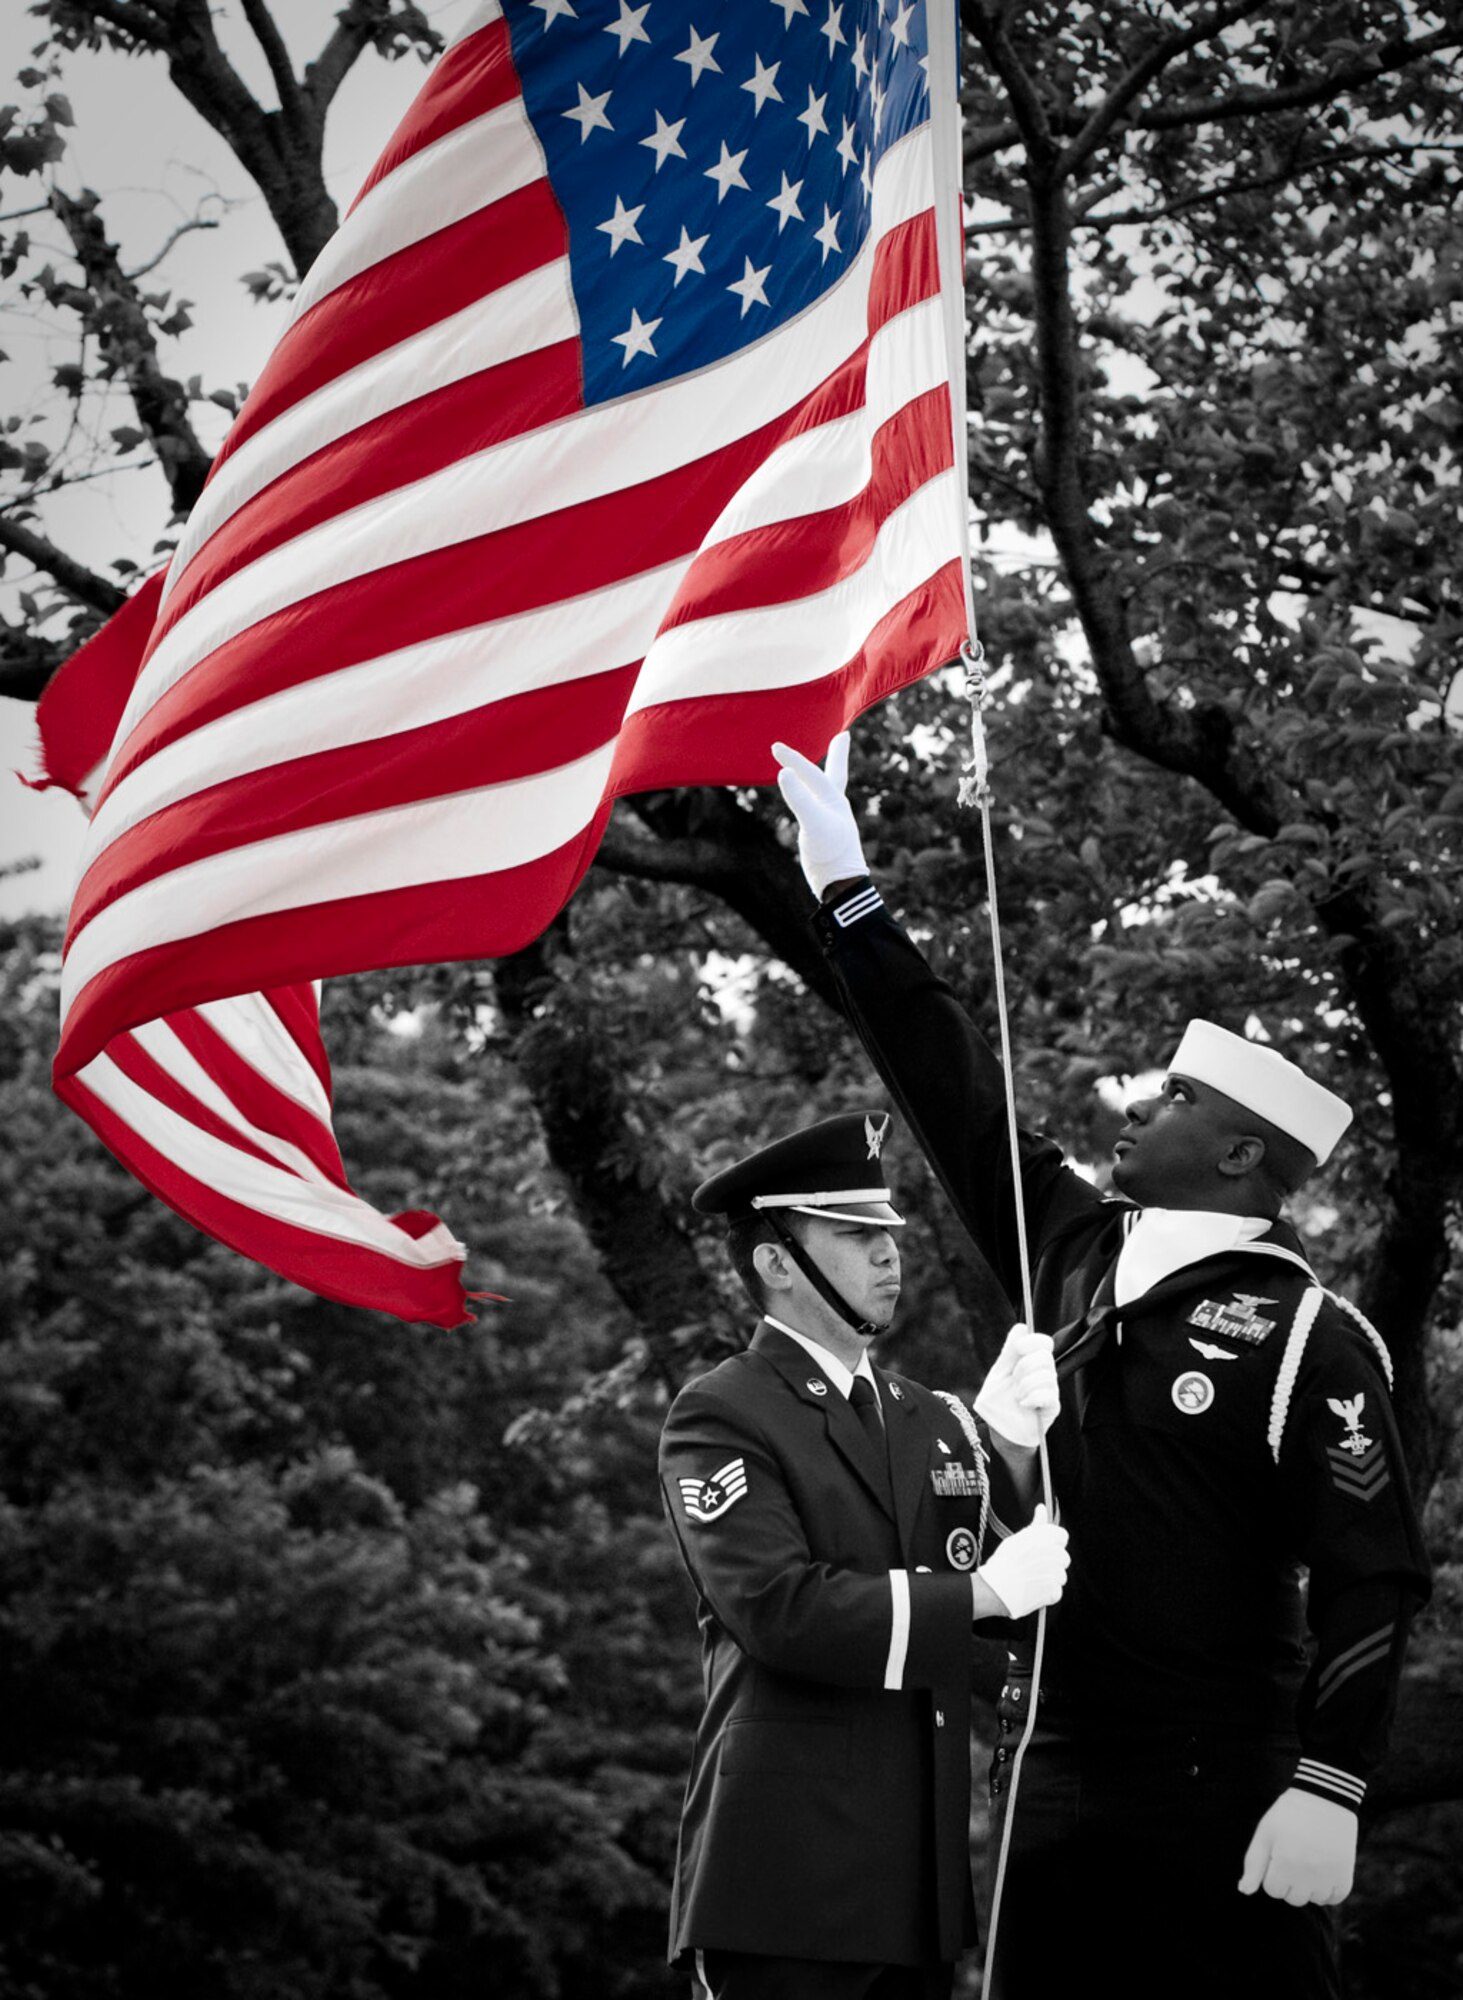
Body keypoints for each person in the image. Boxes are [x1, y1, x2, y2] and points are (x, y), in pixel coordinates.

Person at [771, 734, 1431, 2000]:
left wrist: (1329, 1780)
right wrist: (846, 893)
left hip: (1224, 1777)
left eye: (1171, 1098)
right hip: (1051, 1762)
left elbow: (1372, 1579)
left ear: (1242, 1157)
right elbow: (948, 1081)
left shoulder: (1309, 1334)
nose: (1132, 1105)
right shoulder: (1070, 1247)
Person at [659, 1110, 1071, 2000]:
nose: (890, 1255)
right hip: (785, 1881)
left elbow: (995, 1590)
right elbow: (782, 1610)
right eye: (856, 1235)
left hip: (916, 1887)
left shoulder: (925, 1414)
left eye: (889, 1233)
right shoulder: (722, 1411)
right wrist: (980, 1596)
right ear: (775, 1261)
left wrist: (1009, 1453)